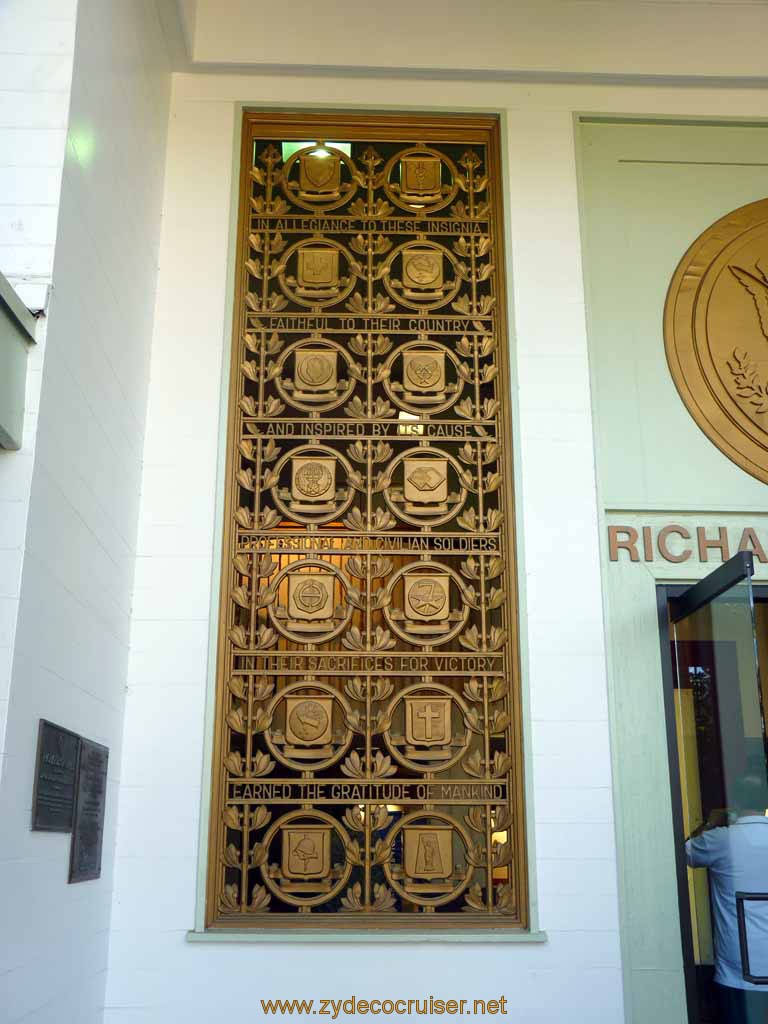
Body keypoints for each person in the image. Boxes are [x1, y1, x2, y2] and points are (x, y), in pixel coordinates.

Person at [686, 776, 768, 1023]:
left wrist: (711, 822)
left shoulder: (721, 840)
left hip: (736, 973)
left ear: (735, 803)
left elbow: (684, 853)